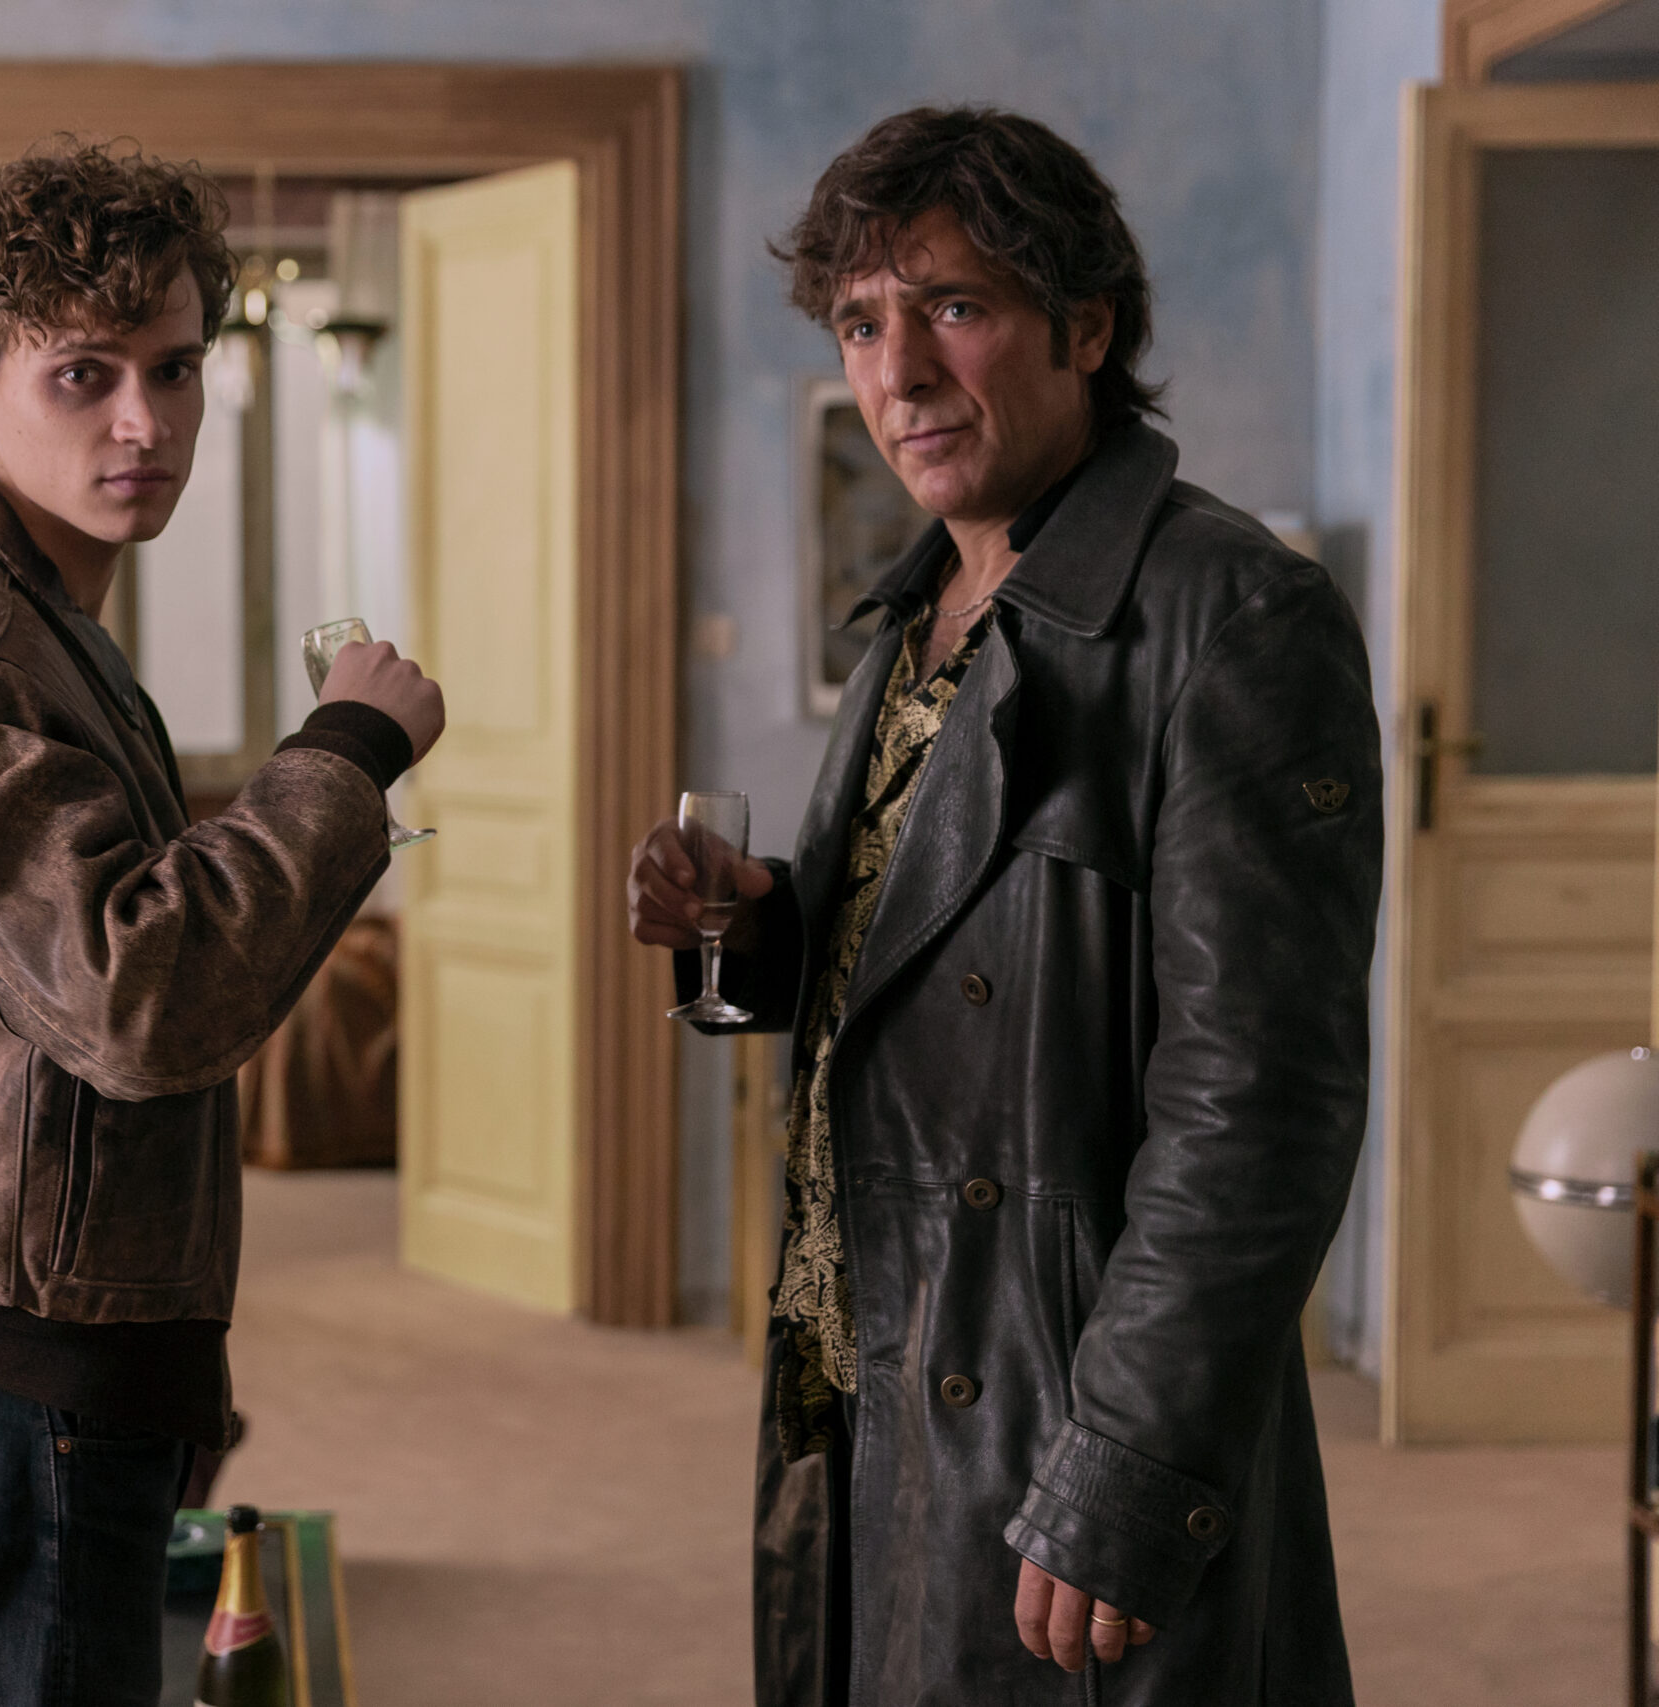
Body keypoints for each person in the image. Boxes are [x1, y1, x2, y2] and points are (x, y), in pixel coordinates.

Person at [628, 107, 1380, 1704]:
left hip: (1052, 1394)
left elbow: (1262, 1108)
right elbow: (944, 951)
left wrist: (1130, 1462)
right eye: (860, 324)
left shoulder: (1234, 620)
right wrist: (766, 924)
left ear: (1087, 329)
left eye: (953, 308)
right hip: (872, 1357)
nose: (898, 372)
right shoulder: (924, 607)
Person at [0, 140, 443, 1707]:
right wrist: (344, 755)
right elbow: (140, 997)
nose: (146, 423)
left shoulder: (38, 619)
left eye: (175, 370)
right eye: (84, 374)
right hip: (2, 1377)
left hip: (37, 1349)